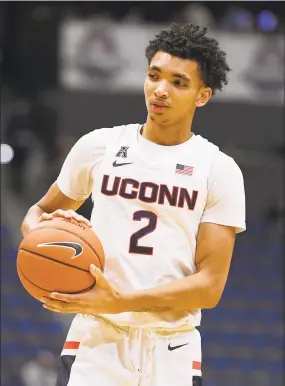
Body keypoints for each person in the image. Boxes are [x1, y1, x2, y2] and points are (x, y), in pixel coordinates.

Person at [21, 24, 246, 386]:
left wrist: (124, 299)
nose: (160, 90)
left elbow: (210, 286)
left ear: (202, 96)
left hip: (173, 347)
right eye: (154, 76)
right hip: (97, 341)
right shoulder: (99, 146)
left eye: (178, 82)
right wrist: (39, 234)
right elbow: (38, 212)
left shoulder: (218, 170)